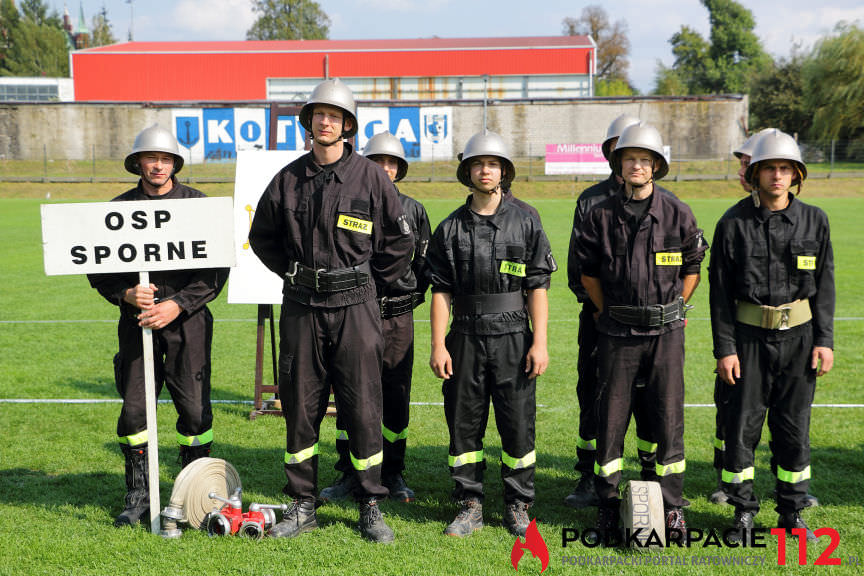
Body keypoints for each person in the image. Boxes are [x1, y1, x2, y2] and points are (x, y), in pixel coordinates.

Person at [248, 78, 413, 543]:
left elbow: (399, 244)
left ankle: (370, 503)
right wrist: (296, 273)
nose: (325, 122)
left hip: (356, 309)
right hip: (302, 305)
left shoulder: (371, 178)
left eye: (334, 116)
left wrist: (366, 283)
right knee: (300, 406)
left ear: (347, 126)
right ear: (308, 123)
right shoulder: (287, 179)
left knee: (363, 405)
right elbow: (263, 238)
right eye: (318, 114)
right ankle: (303, 504)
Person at [87, 124, 228, 528]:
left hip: (189, 324)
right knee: (134, 413)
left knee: (195, 413)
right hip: (137, 325)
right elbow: (98, 270)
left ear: (175, 164)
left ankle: (196, 492)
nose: (158, 166)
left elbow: (214, 273)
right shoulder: (117, 209)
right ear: (137, 163)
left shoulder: (199, 206)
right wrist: (125, 294)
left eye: (165, 159)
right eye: (151, 158)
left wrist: (177, 305)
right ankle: (138, 497)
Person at [574, 122, 707, 538]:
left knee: (668, 419)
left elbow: (691, 269)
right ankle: (608, 505)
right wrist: (608, 312)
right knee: (611, 420)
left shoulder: (678, 212)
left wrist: (673, 310)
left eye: (644, 160)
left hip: (666, 335)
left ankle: (672, 507)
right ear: (619, 164)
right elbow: (589, 275)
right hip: (618, 333)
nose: (636, 166)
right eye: (629, 159)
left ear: (655, 167)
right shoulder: (599, 214)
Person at [427, 131, 556, 538]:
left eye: (493, 164)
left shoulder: (526, 220)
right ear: (468, 172)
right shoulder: (450, 228)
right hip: (463, 335)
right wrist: (437, 344)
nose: (486, 171)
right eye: (478, 164)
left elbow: (538, 286)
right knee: (464, 424)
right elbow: (441, 291)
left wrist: (540, 342)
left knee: (518, 423)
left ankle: (518, 504)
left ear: (504, 172)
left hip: (514, 335)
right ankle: (469, 503)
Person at [709, 129, 833, 542]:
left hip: (799, 340)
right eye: (769, 169)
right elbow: (721, 295)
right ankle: (743, 509)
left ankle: (792, 513)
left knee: (794, 427)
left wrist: (824, 340)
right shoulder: (732, 223)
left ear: (796, 175)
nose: (777, 176)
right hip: (747, 340)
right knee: (742, 426)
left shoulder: (815, 220)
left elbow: (826, 285)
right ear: (755, 174)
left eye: (785, 169)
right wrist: (725, 349)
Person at [319, 130, 431, 503]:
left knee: (395, 395)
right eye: (377, 162)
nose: (384, 169)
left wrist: (401, 302)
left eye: (392, 163)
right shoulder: (351, 202)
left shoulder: (414, 210)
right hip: (353, 314)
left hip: (396, 319)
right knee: (351, 395)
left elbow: (425, 269)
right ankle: (349, 473)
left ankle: (394, 473)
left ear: (400, 169)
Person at [564, 114, 660, 509]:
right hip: (600, 320)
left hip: (651, 325)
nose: (630, 159)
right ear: (610, 154)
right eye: (622, 148)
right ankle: (590, 474)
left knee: (651, 398)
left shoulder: (663, 205)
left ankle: (652, 474)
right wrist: (603, 309)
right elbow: (577, 268)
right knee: (595, 392)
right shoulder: (590, 200)